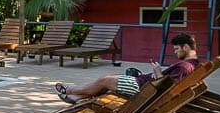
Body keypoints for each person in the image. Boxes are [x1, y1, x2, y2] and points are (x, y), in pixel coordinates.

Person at [54, 32, 199, 103]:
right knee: (107, 83)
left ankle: (70, 89)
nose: (175, 52)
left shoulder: (184, 67)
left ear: (185, 47)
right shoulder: (193, 64)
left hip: (141, 88)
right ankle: (77, 97)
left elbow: (167, 90)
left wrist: (158, 72)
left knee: (104, 80)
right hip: (144, 83)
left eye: (176, 49)